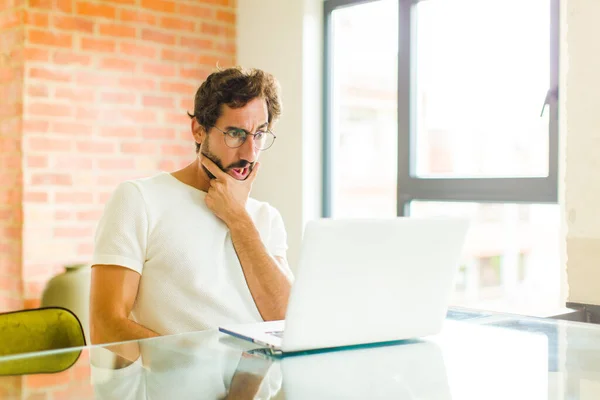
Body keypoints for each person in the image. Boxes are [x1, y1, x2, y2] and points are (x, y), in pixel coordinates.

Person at [89, 67, 294, 345]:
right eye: (235, 133)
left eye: (259, 135)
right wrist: (198, 367)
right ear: (198, 130)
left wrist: (238, 219)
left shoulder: (265, 217)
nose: (250, 153)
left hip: (260, 385)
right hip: (178, 383)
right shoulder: (140, 200)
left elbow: (287, 319)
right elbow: (106, 326)